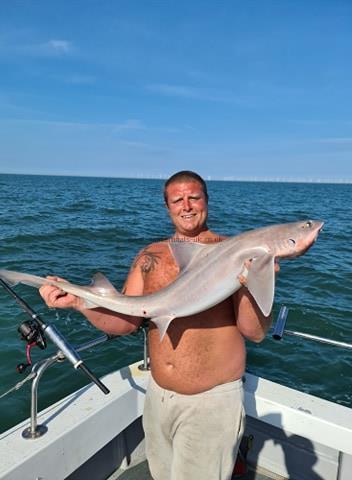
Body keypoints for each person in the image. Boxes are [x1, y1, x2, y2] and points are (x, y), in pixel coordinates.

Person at [39, 171, 276, 480]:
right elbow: (125, 322)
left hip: (211, 403)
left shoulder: (235, 252)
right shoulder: (149, 256)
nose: (187, 206)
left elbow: (254, 332)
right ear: (167, 207)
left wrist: (254, 281)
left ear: (207, 201)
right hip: (158, 396)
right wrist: (78, 302)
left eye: (194, 197)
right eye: (177, 200)